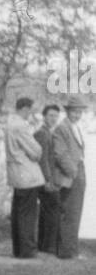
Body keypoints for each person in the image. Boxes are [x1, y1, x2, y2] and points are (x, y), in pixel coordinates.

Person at [4, 97, 44, 260]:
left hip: (16, 173)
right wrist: (38, 150)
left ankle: (18, 249)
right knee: (28, 214)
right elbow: (36, 151)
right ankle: (27, 250)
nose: (30, 115)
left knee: (18, 212)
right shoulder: (20, 126)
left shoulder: (9, 124)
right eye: (29, 111)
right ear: (25, 109)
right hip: (26, 174)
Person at [53, 97, 88, 259]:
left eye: (80, 112)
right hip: (71, 175)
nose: (77, 115)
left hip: (79, 171)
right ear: (67, 112)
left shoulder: (75, 127)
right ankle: (67, 252)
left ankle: (71, 250)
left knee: (75, 212)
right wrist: (73, 172)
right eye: (75, 112)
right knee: (70, 212)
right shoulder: (62, 128)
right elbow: (60, 154)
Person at [34, 103, 62, 255]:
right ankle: (49, 247)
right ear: (44, 116)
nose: (53, 119)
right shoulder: (42, 134)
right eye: (51, 115)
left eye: (56, 116)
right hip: (45, 179)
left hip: (47, 178)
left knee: (47, 212)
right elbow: (42, 159)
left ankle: (44, 246)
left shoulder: (48, 133)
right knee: (52, 212)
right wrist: (48, 180)